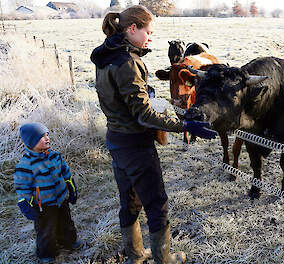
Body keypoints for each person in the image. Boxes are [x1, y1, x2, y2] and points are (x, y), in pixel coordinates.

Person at [90, 5, 217, 264]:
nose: (151, 37)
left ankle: (136, 256)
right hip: (136, 145)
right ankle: (163, 258)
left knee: (130, 202)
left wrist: (145, 96)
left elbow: (120, 100)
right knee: (157, 203)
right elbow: (143, 115)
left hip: (116, 139)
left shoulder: (107, 55)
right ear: (132, 29)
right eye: (148, 31)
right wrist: (185, 126)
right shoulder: (128, 62)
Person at [14, 122, 83, 264]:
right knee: (46, 230)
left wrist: (71, 186)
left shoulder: (55, 156)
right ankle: (46, 252)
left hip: (61, 199)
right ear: (31, 142)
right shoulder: (26, 165)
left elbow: (66, 172)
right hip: (43, 205)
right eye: (42, 137)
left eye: (47, 135)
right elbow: (22, 188)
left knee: (66, 222)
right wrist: (26, 204)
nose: (47, 139)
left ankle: (68, 242)